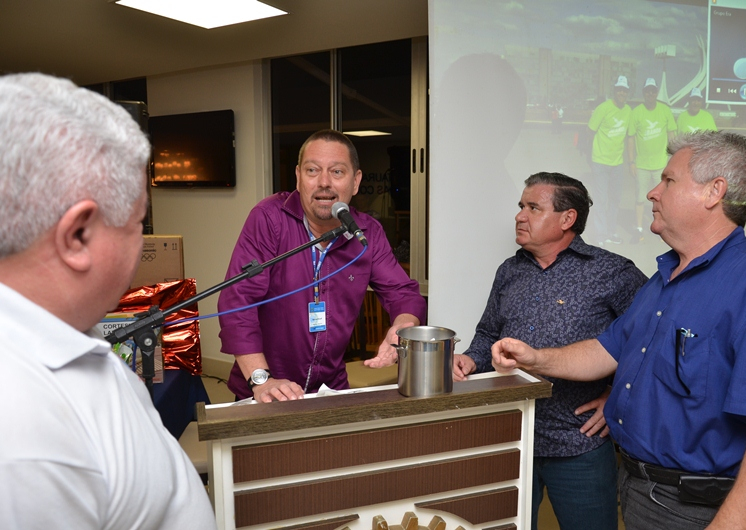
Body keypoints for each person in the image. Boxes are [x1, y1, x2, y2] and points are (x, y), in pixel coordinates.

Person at [492, 131, 746, 530]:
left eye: (668, 180)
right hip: (637, 487)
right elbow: (606, 350)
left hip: (695, 507)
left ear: (714, 192)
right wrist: (535, 358)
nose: (653, 192)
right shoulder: (663, 279)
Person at [0, 73, 216, 528]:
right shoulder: (21, 437)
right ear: (78, 236)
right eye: (139, 224)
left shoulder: (69, 334)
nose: (142, 242)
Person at [453, 172, 647, 530]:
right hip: (511, 439)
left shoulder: (612, 272)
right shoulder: (509, 271)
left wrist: (616, 395)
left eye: (533, 208)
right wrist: (470, 359)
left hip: (578, 445)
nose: (520, 216)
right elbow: (487, 334)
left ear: (567, 218)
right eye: (521, 206)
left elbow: (650, 342)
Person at [218, 129, 426, 402]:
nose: (324, 182)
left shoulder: (367, 233)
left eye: (337, 172)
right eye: (312, 170)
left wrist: (401, 329)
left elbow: (403, 293)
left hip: (330, 389)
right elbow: (238, 302)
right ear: (298, 177)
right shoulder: (269, 219)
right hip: (264, 391)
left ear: (355, 181)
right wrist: (261, 379)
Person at [627, 77, 677, 243]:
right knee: (640, 198)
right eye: (647, 91)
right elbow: (631, 138)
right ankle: (639, 228)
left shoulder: (665, 111)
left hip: (661, 165)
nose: (650, 94)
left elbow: (671, 135)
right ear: (644, 93)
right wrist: (631, 162)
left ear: (656, 93)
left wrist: (674, 160)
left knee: (662, 199)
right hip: (641, 165)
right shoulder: (636, 112)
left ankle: (663, 227)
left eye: (653, 91)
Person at [587, 75, 632, 246]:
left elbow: (630, 136)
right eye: (619, 90)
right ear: (614, 91)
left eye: (624, 90)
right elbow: (590, 131)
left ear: (627, 93)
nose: (622, 93)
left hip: (617, 163)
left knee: (615, 199)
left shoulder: (628, 111)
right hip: (600, 161)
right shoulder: (603, 108)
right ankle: (600, 234)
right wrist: (591, 156)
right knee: (601, 199)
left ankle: (611, 231)